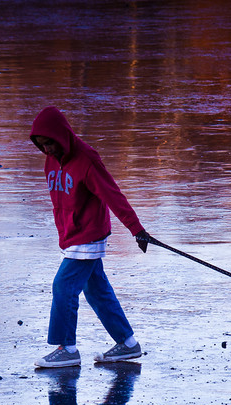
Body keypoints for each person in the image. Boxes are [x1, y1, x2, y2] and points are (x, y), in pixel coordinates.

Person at [29, 106, 150, 368]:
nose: (47, 149)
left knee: (63, 285)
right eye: (42, 145)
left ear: (60, 135)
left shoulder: (86, 159)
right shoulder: (51, 159)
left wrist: (136, 229)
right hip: (71, 235)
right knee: (96, 289)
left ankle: (67, 349)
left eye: (49, 142)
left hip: (88, 235)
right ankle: (127, 344)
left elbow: (112, 194)